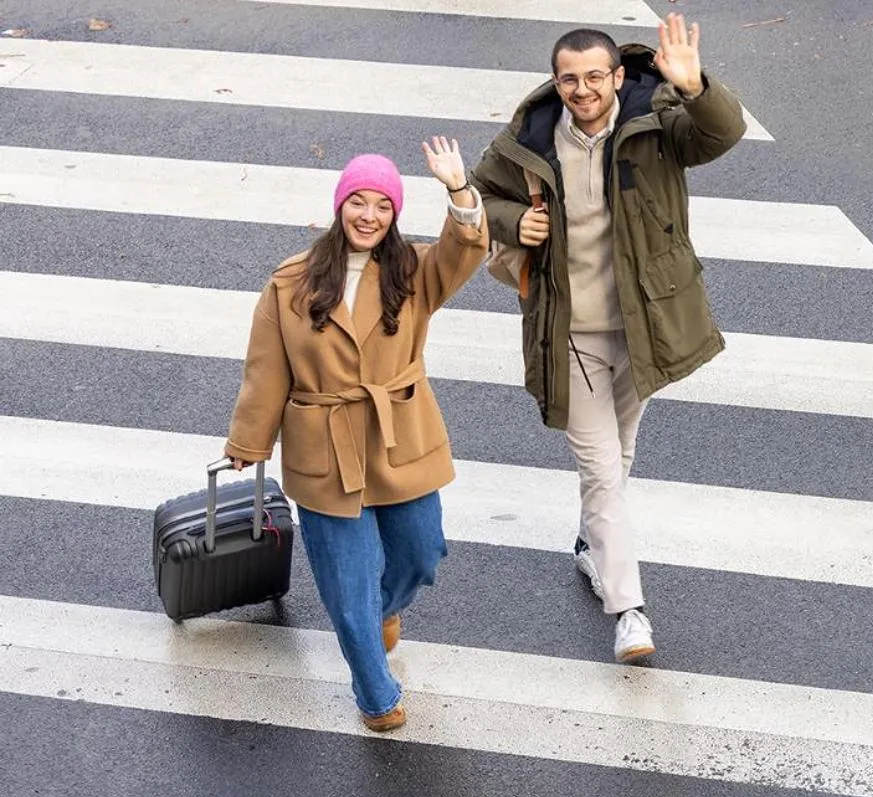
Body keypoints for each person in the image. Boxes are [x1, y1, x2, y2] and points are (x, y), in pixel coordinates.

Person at [471, 14, 746, 663]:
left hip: (645, 327)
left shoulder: (656, 123)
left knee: (617, 461)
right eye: (570, 78)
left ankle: (591, 548)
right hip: (572, 334)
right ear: (556, 81)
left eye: (595, 76)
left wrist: (696, 84)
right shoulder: (531, 139)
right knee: (600, 471)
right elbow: (479, 198)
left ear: (618, 77)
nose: (582, 89)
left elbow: (721, 133)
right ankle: (629, 611)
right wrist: (516, 221)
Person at [224, 141, 488, 732]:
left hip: (401, 435)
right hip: (324, 442)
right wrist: (250, 440)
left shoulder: (415, 272)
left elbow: (467, 247)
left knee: (423, 551)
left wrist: (457, 189)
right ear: (339, 206)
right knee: (347, 582)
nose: (369, 216)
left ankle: (384, 610)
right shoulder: (291, 282)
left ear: (395, 215)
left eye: (383, 206)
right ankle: (375, 692)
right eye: (357, 203)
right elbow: (267, 367)